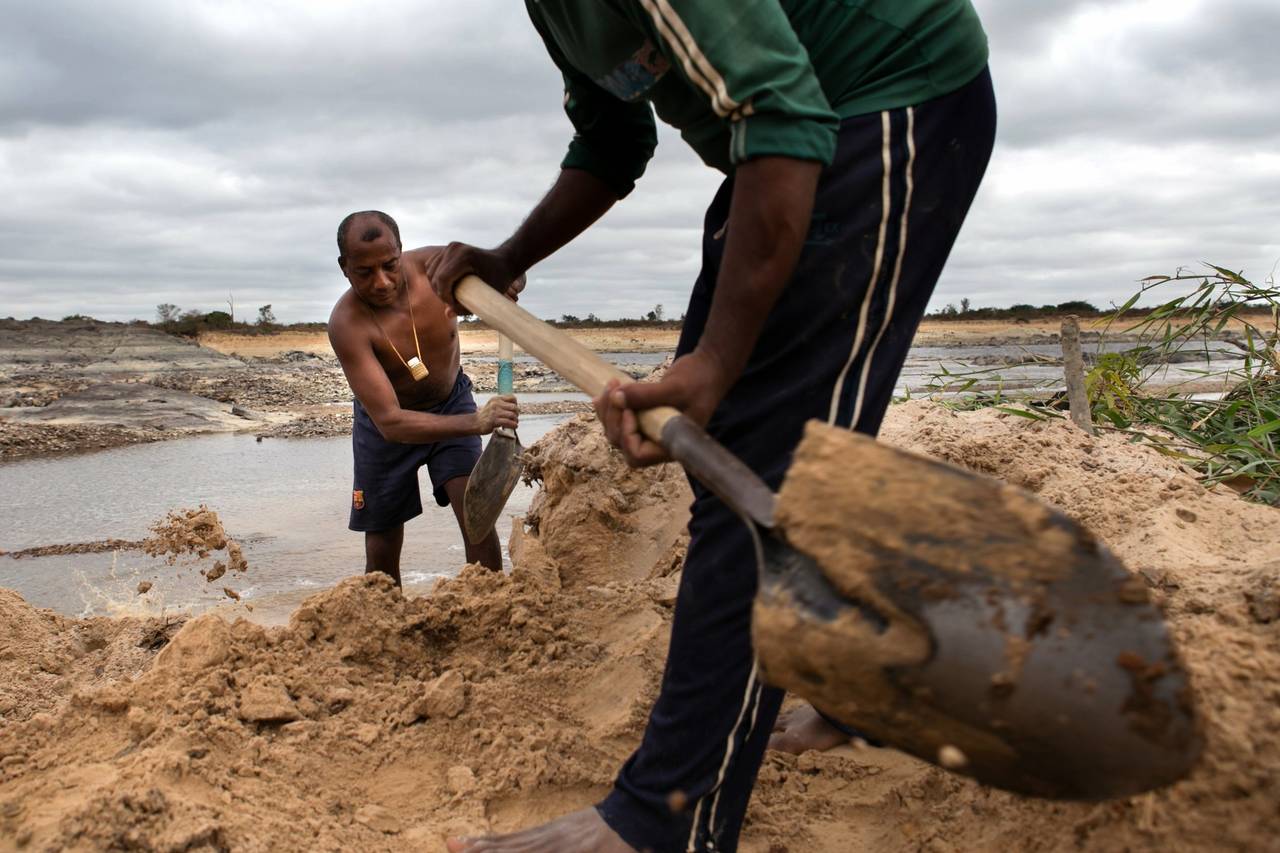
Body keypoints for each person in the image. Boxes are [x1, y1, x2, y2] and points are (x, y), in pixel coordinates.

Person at [428, 3, 996, 850]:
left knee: (754, 464)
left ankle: (665, 820)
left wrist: (718, 360)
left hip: (884, 105)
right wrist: (513, 256)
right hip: (787, 138)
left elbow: (783, 111)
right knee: (740, 455)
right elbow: (614, 140)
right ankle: (855, 689)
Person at [328, 210, 520, 584]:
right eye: (364, 272)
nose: (381, 282)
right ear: (344, 267)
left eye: (389, 265)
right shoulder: (346, 323)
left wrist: (510, 276)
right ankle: (384, 624)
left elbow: (508, 265)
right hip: (386, 426)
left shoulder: (437, 267)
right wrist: (477, 422)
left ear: (401, 251)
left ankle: (492, 609)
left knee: (476, 512)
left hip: (451, 399)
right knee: (381, 542)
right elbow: (391, 421)